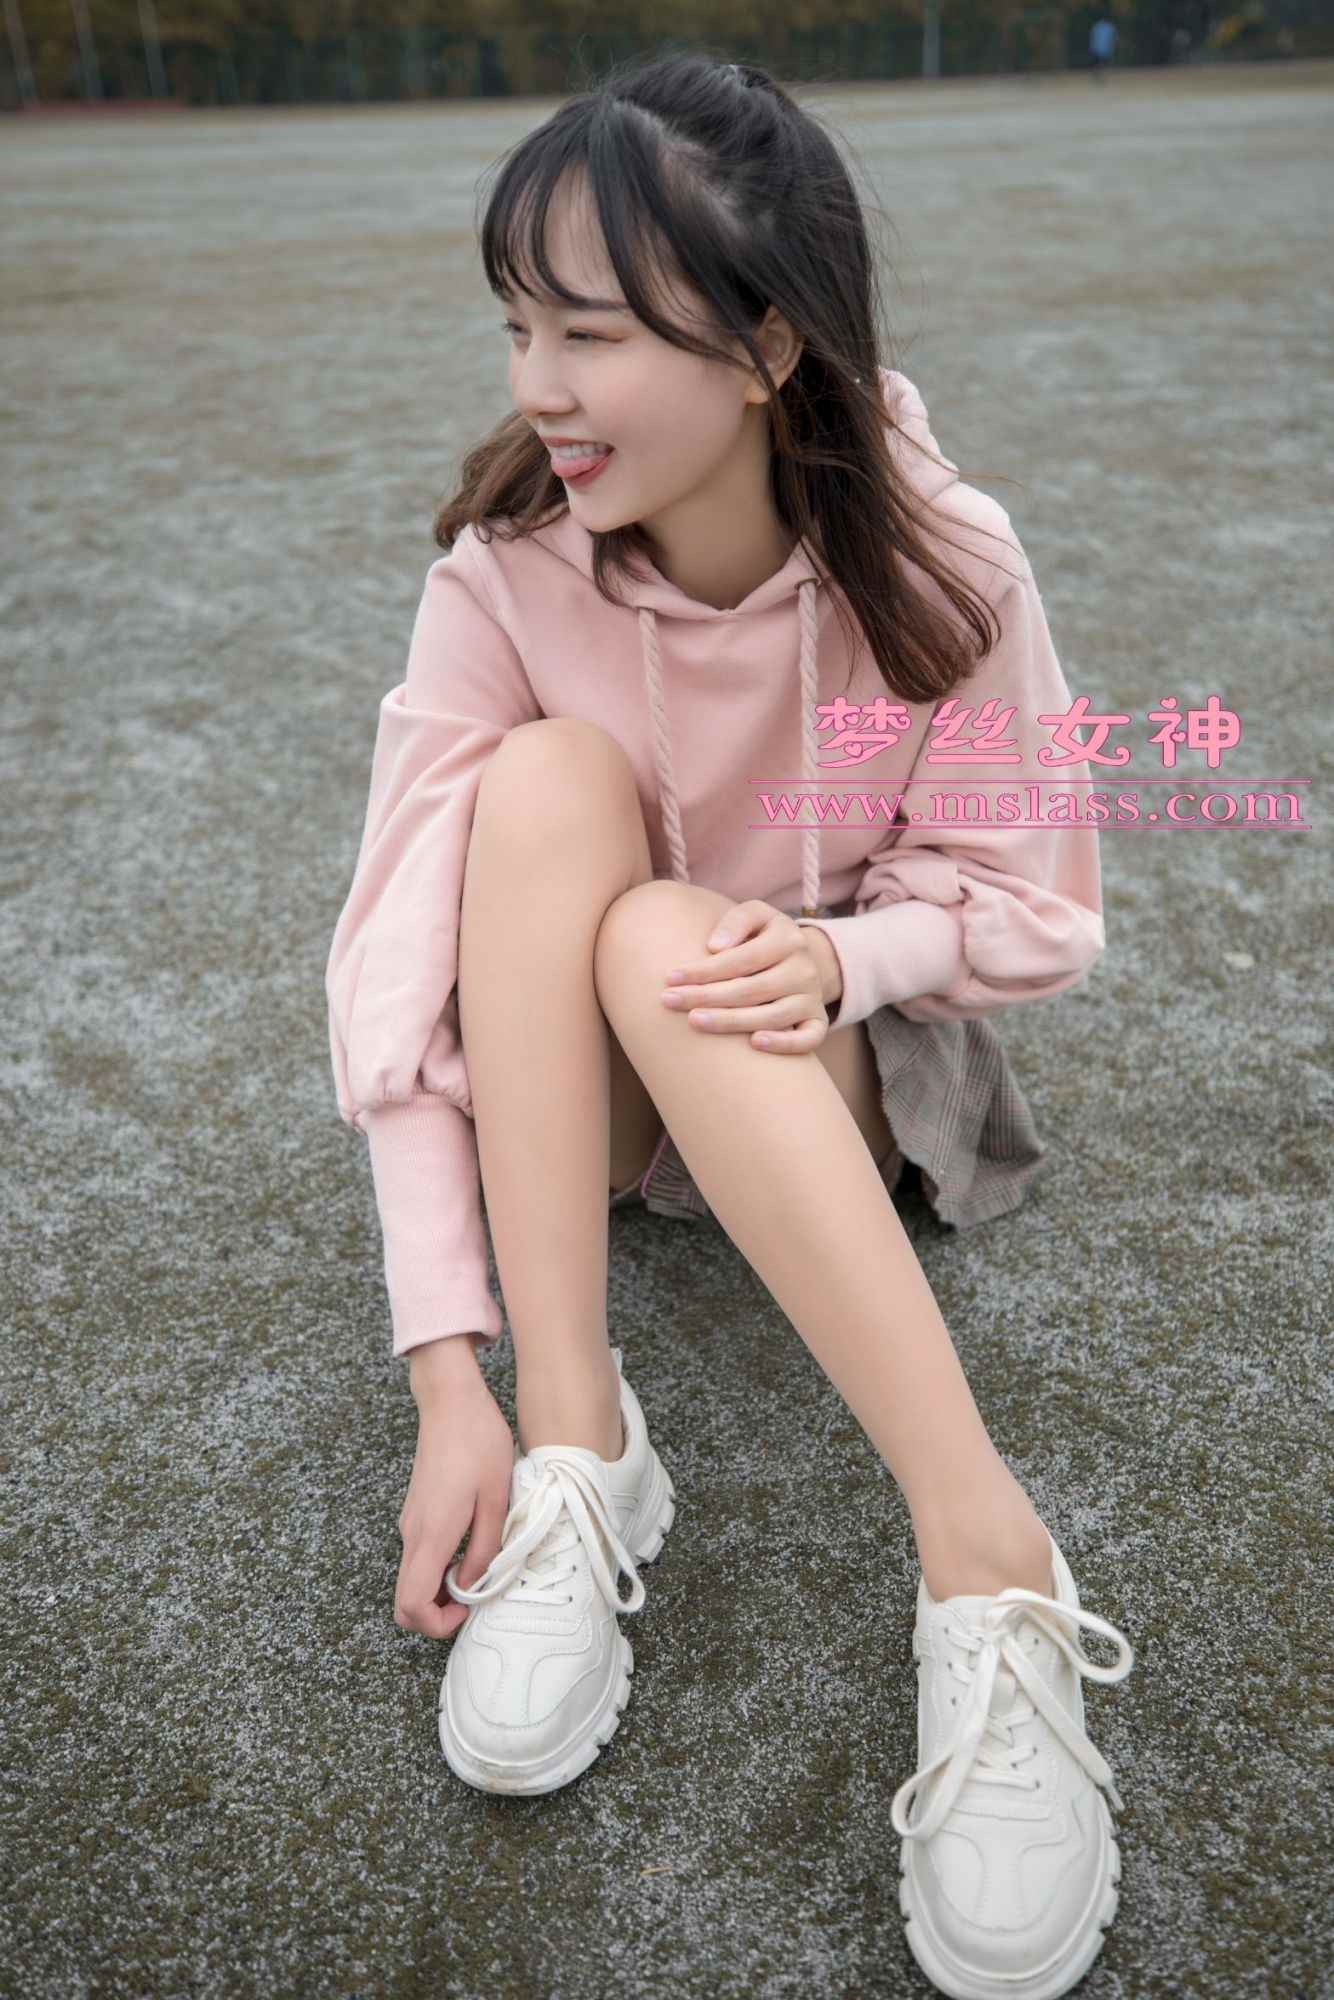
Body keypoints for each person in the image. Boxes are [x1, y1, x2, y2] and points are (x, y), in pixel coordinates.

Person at [323, 49, 1136, 2000]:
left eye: (591, 332)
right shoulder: (503, 578)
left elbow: (1035, 903)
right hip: (591, 1100)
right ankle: (578, 1444)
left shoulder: (938, 556)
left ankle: (990, 1559)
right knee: (542, 792)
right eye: (517, 324)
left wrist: (848, 964)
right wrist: (451, 1379)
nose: (537, 383)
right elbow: (396, 961)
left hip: (838, 1064)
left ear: (768, 345)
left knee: (665, 935)